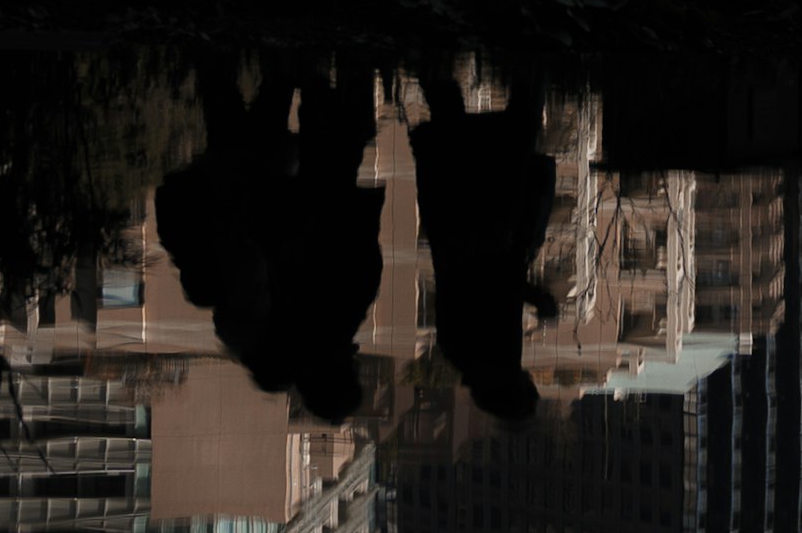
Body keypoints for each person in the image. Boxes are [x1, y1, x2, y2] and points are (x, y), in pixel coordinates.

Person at [154, 54, 384, 423]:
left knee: (276, 99)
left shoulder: (318, 319)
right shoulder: (267, 325)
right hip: (249, 185)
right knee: (237, 96)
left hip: (271, 186)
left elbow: (352, 254)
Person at [408, 65, 558, 421]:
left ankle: (533, 58)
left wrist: (538, 299)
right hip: (459, 223)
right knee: (454, 125)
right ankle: (433, 57)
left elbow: (494, 287)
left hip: (486, 226)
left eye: (527, 386)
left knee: (518, 127)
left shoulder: (494, 358)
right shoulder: (463, 355)